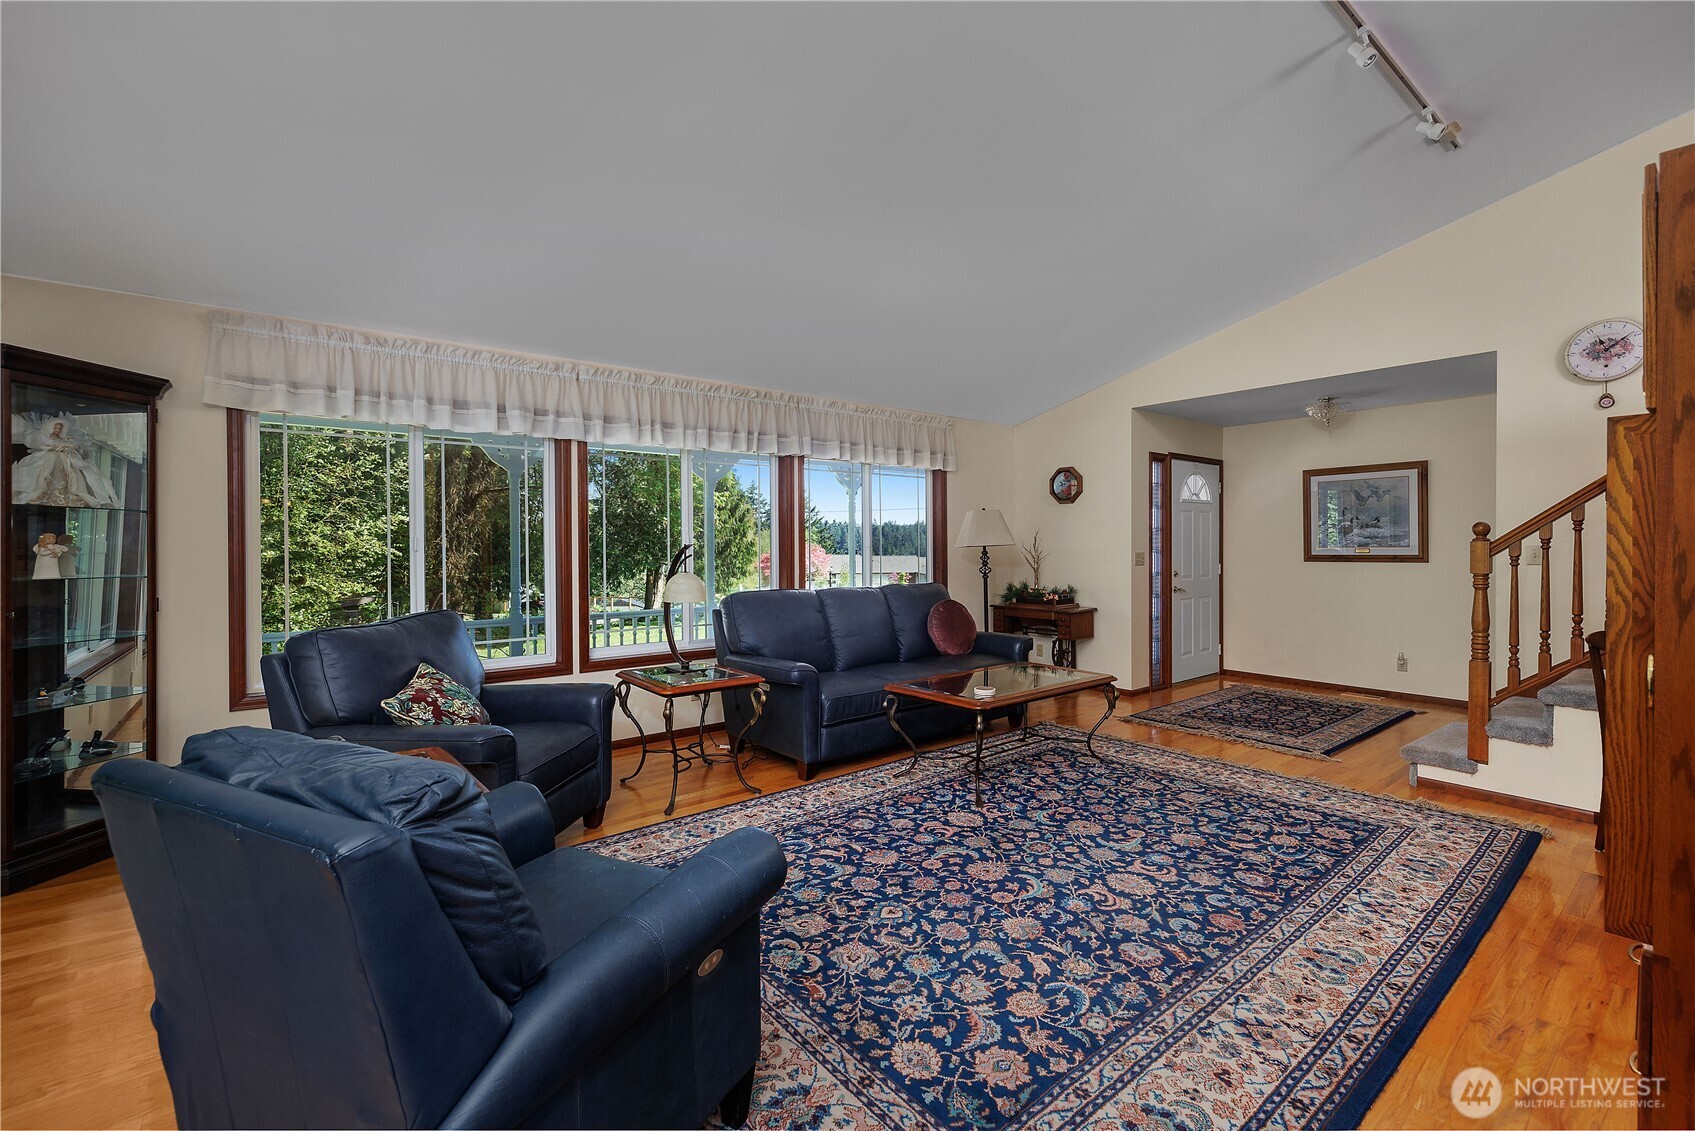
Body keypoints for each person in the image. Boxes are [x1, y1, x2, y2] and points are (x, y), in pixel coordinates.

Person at [11, 415, 122, 507]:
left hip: (65, 461)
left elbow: (72, 445)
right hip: (48, 460)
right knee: (42, 477)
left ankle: (71, 495)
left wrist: (66, 445)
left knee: (74, 478)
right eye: (55, 428)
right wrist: (60, 445)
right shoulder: (45, 438)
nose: (57, 430)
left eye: (59, 428)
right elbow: (44, 443)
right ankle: (44, 494)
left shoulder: (65, 439)